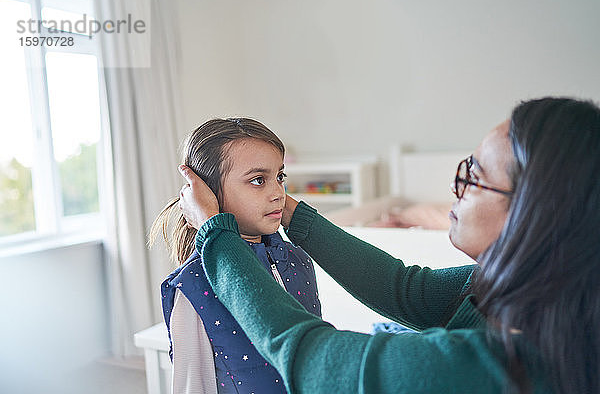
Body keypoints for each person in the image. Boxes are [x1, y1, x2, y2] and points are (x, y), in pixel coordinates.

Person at [177, 97, 600, 394]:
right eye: (258, 179)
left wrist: (217, 231)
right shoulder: (533, 291)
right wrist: (292, 213)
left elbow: (309, 355)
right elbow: (403, 288)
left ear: (534, 214)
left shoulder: (501, 366)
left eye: (475, 177)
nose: (455, 189)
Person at [150, 118, 322, 393]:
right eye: (258, 180)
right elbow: (192, 385)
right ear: (207, 193)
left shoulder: (297, 259)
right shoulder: (196, 283)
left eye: (280, 177)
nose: (278, 193)